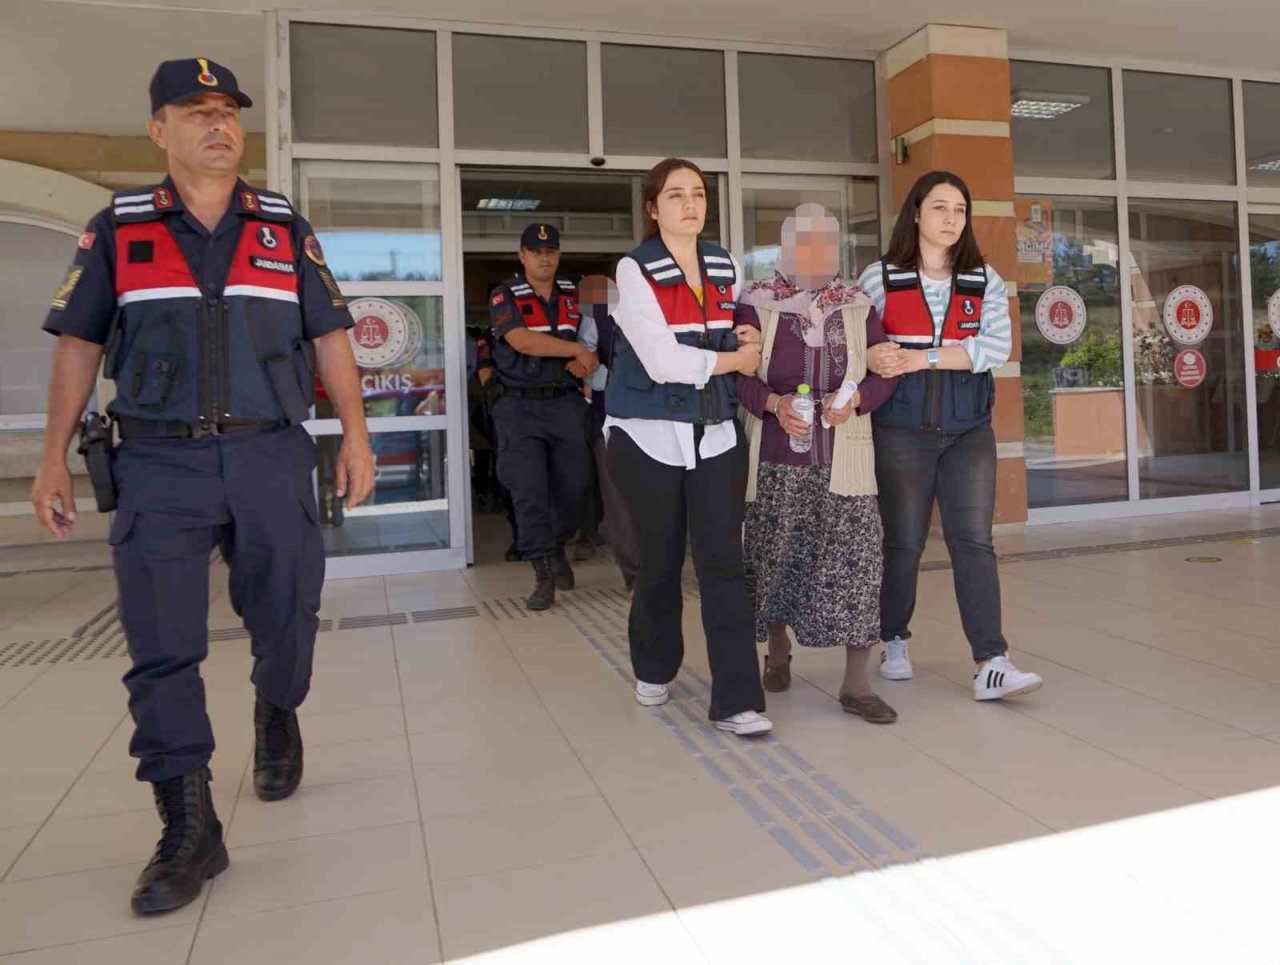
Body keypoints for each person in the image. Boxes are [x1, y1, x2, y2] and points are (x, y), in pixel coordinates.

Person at [30, 58, 375, 915]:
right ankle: (188, 827)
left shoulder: (283, 225)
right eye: (197, 111)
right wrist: (52, 454)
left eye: (228, 112)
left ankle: (275, 705)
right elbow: (77, 343)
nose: (219, 124)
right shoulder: (118, 226)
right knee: (161, 646)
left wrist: (356, 435)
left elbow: (330, 334)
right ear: (160, 130)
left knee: (290, 608)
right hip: (157, 462)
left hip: (267, 453)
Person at [860, 170, 1043, 701]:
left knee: (974, 543)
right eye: (939, 207)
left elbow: (995, 347)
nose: (950, 218)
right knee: (904, 542)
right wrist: (874, 354)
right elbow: (859, 342)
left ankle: (992, 660)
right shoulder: (879, 276)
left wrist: (921, 357)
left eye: (959, 210)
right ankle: (893, 638)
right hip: (900, 430)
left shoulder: (983, 277)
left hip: (968, 431)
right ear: (915, 214)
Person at [605, 157, 772, 737]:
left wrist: (747, 335)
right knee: (661, 561)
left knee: (724, 563)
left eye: (697, 193)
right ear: (653, 208)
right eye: (675, 195)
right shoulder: (632, 270)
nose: (689, 204)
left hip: (715, 432)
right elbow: (663, 360)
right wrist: (736, 358)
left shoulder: (724, 262)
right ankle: (653, 665)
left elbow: (730, 323)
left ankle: (737, 700)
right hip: (647, 437)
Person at [736, 204, 900, 722]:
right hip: (775, 460)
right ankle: (778, 652)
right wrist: (775, 405)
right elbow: (738, 377)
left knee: (857, 566)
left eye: (827, 244)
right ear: (784, 250)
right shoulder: (755, 303)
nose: (817, 254)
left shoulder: (857, 303)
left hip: (845, 459)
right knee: (771, 561)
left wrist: (857, 401)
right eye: (805, 243)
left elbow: (886, 368)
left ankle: (856, 684)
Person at [488, 223, 598, 609]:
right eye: (535, 251)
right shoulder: (506, 295)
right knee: (529, 490)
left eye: (550, 250)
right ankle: (543, 573)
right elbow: (522, 340)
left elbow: (595, 341)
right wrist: (574, 352)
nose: (544, 257)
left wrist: (589, 360)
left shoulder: (575, 295)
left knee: (574, 487)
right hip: (519, 407)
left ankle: (557, 548)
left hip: (565, 404)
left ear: (559, 255)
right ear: (522, 256)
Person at [577, 274, 641, 590]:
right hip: (610, 418)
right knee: (618, 499)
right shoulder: (598, 314)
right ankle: (637, 576)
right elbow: (587, 359)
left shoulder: (666, 307)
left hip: (666, 418)